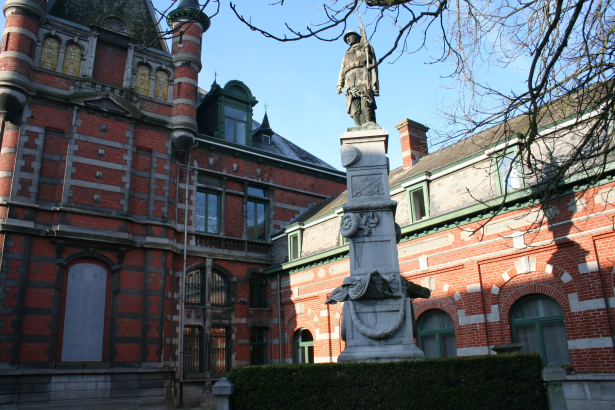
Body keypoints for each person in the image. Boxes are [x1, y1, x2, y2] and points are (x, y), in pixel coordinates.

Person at [337, 25, 379, 127]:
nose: (347, 39)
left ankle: (369, 122)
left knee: (365, 99)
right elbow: (342, 69)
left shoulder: (365, 47)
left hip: (362, 76)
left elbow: (372, 61)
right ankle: (358, 125)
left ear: (356, 36)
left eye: (349, 36)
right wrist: (340, 84)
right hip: (350, 80)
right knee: (353, 104)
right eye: (346, 38)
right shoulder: (347, 53)